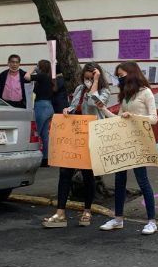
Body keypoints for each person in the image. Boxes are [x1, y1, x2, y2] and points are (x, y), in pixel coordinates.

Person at [42, 63, 111, 229]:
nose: (88, 81)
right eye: (86, 78)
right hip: (73, 136)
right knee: (65, 173)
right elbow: (74, 107)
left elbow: (94, 104)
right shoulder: (79, 89)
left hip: (90, 136)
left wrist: (95, 82)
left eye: (91, 78)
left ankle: (87, 211)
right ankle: (60, 213)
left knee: (88, 174)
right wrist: (68, 109)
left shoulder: (104, 91)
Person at [98, 61, 158, 235]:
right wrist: (104, 110)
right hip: (124, 141)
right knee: (119, 180)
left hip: (139, 142)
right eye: (118, 76)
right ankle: (118, 219)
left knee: (142, 180)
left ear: (131, 74)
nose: (119, 79)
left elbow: (154, 119)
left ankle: (152, 221)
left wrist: (133, 116)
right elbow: (119, 119)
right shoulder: (125, 95)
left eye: (121, 75)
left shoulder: (146, 92)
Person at [25, 60, 57, 167]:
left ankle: (32, 157)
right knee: (44, 135)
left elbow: (27, 77)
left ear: (41, 67)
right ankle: (46, 159)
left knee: (36, 133)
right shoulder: (49, 78)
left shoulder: (42, 76)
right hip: (49, 106)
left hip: (41, 106)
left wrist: (33, 68)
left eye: (38, 66)